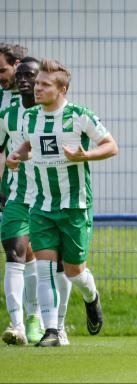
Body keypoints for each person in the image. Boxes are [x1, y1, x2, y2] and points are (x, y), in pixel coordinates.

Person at [6, 58, 119, 347]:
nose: (37, 88)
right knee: (44, 269)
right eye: (38, 83)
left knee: (74, 272)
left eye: (44, 84)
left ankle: (91, 297)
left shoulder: (79, 115)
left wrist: (86, 156)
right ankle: (52, 331)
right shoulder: (30, 117)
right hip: (41, 205)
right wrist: (16, 155)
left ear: (62, 89)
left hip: (75, 206)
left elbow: (111, 145)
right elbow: (30, 143)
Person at [0, 54, 45, 346]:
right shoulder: (7, 113)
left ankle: (41, 319)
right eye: (23, 78)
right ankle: (17, 324)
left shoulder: (59, 109)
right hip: (16, 193)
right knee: (15, 254)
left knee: (47, 262)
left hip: (50, 196)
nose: (26, 82)